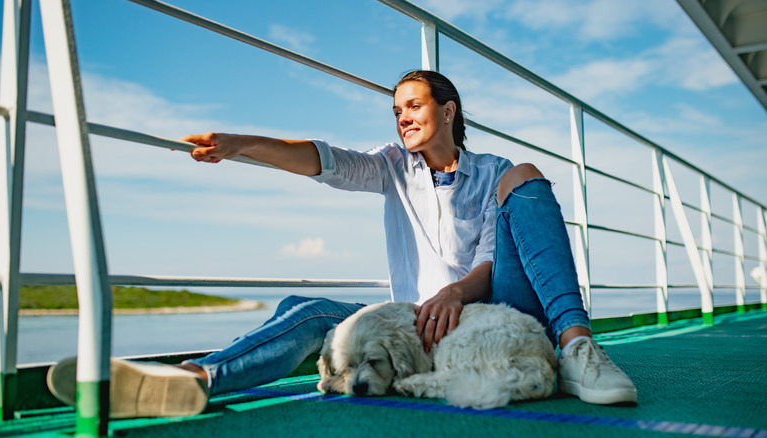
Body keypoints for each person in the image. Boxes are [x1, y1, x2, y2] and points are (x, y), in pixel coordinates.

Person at [47, 70, 637, 418]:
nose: (402, 118)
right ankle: (193, 381)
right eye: (396, 110)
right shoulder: (391, 167)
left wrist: (455, 293)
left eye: (414, 106)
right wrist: (243, 143)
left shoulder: (491, 171)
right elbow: (325, 161)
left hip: (495, 308)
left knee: (526, 177)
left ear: (448, 110)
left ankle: (578, 348)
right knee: (304, 315)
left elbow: (489, 258)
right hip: (413, 325)